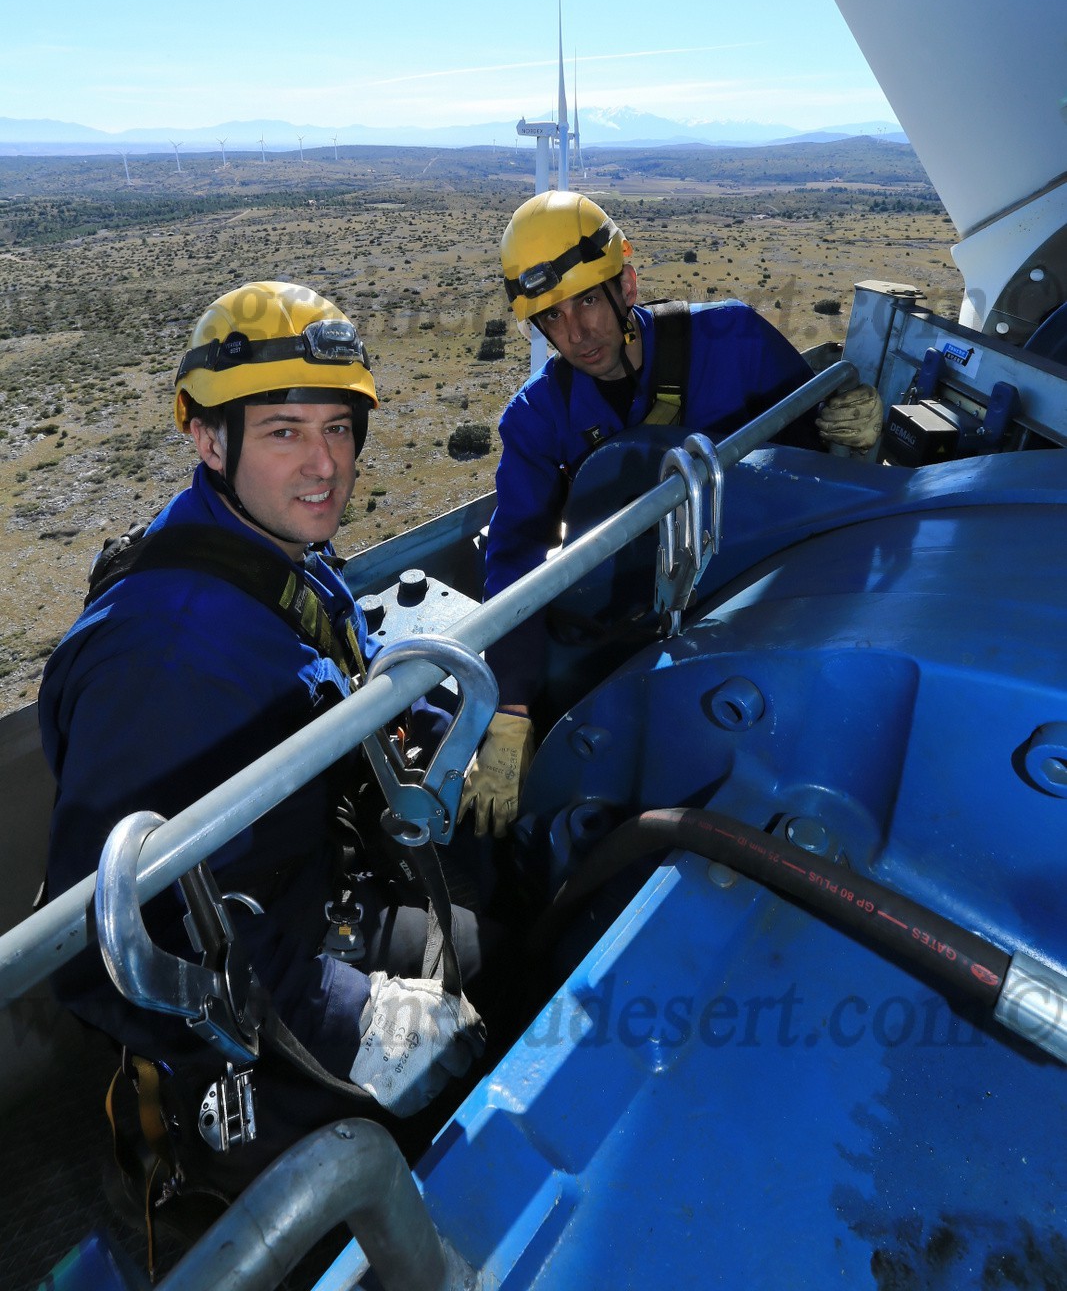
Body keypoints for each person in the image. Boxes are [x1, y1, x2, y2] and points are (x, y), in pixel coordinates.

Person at [40, 280, 486, 1192]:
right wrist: (350, 1016)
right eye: (284, 431)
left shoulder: (275, 557)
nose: (324, 465)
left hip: (309, 891)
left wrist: (439, 729)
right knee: (470, 1007)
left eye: (338, 429)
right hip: (243, 1012)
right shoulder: (163, 658)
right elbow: (101, 945)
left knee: (486, 926)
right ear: (210, 441)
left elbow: (332, 671)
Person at [460, 190, 882, 837]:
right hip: (628, 622)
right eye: (551, 317)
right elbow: (517, 557)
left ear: (625, 285)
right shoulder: (537, 417)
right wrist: (510, 711)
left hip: (765, 595)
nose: (575, 334)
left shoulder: (733, 340)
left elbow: (809, 466)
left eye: (587, 302)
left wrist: (849, 437)